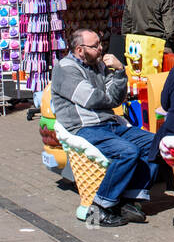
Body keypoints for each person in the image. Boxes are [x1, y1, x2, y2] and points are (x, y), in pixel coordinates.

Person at [51, 28, 159, 228]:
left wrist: (119, 72)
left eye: (100, 44)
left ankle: (129, 199)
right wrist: (109, 95)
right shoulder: (65, 68)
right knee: (128, 152)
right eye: (95, 46)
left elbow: (116, 98)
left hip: (110, 123)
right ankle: (99, 208)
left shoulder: (99, 65)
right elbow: (92, 99)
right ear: (80, 50)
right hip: (85, 127)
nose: (101, 49)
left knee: (155, 143)